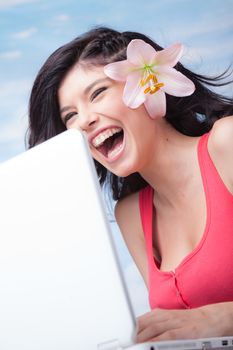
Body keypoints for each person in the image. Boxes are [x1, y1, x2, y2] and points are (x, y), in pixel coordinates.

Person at [27, 26, 233, 341]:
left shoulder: (226, 144)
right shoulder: (132, 215)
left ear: (151, 85)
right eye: (70, 116)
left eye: (97, 93)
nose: (83, 121)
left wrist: (223, 318)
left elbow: (204, 325)